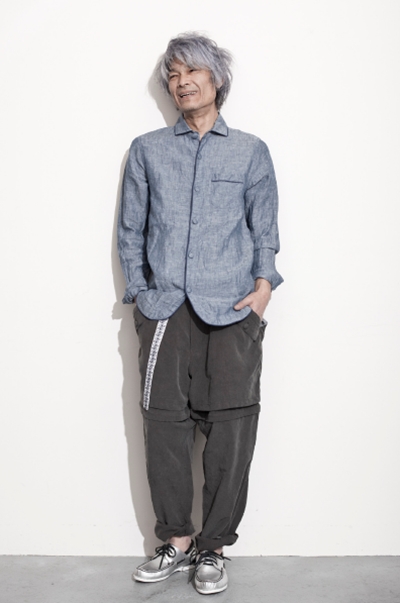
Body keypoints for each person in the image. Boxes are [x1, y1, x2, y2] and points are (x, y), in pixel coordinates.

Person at [117, 31, 283, 595]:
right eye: (172, 74)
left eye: (192, 72)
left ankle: (213, 548)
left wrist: (263, 289)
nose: (181, 82)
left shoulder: (250, 151)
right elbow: (131, 230)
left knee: (232, 430)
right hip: (165, 310)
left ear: (216, 79)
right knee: (165, 428)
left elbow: (265, 229)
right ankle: (176, 541)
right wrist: (141, 294)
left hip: (233, 312)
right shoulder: (147, 150)